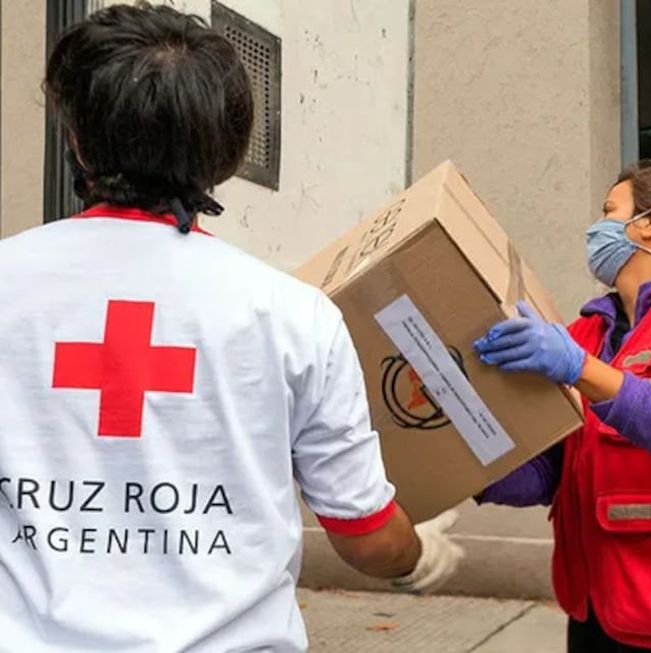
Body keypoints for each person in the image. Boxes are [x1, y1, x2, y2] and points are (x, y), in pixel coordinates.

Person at [0, 5, 461, 651]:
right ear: (228, 153)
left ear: (74, 137)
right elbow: (366, 534)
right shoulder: (292, 315)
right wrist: (414, 553)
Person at [475, 160, 651, 653]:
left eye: (611, 211)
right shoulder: (588, 332)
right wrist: (464, 460)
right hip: (593, 601)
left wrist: (578, 369)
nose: (596, 228)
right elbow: (552, 471)